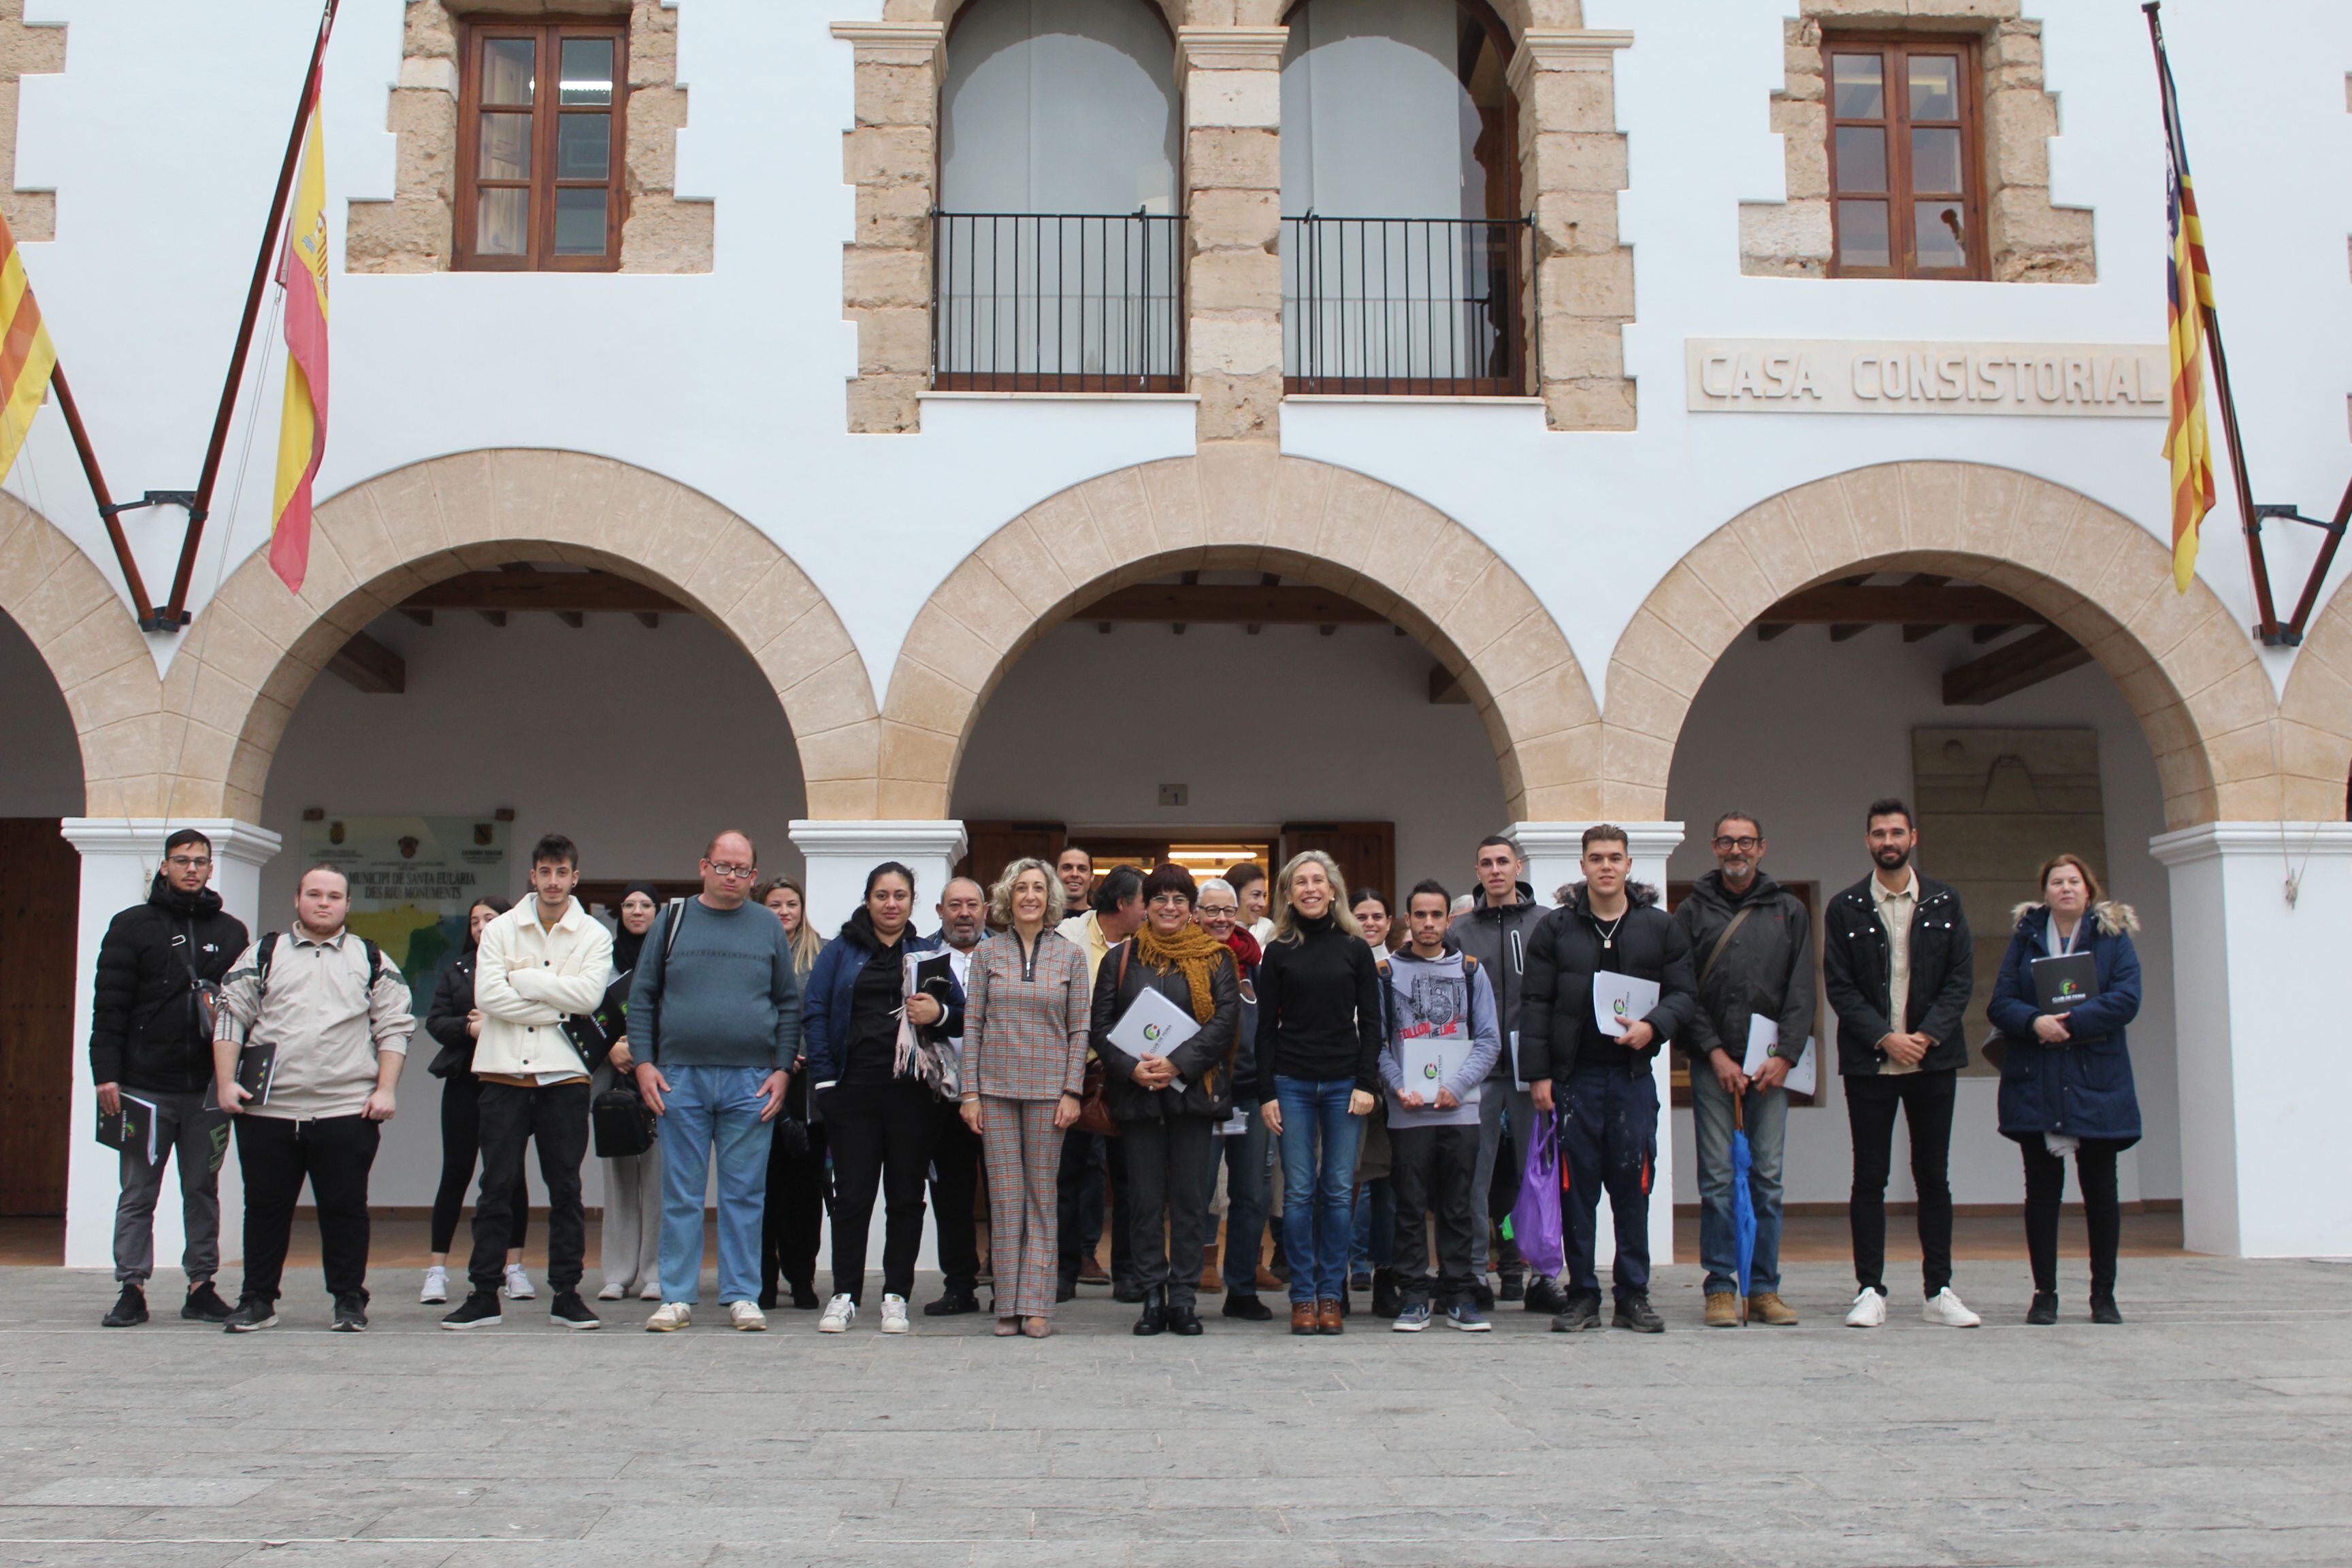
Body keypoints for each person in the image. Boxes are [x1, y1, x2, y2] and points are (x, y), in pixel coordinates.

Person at [209, 866, 414, 1332]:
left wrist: (385, 1089)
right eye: (315, 894)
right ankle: (257, 1300)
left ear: (347, 905)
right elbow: (230, 1014)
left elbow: (395, 1026)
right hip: (269, 1110)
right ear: (297, 899)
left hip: (346, 1110)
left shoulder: (372, 958)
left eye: (334, 896)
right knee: (265, 1210)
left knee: (345, 1210)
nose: (324, 903)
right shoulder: (264, 953)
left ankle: (349, 1301)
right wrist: (225, 1083)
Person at [1519, 826, 1696, 1336]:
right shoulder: (1555, 929)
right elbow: (1536, 1004)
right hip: (1574, 1079)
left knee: (1633, 1186)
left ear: (1628, 864)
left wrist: (1653, 1027)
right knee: (1576, 1192)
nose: (1606, 866)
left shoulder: (1660, 927)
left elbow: (1684, 994)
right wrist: (1539, 1075)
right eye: (1596, 858)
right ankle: (1582, 1296)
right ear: (1583, 866)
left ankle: (1633, 1295)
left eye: (1615, 858)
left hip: (1631, 1077)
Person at [627, 830, 801, 1333]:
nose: (732, 877)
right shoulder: (672, 920)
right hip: (679, 1077)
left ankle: (742, 1295)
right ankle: (677, 1296)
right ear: (704, 866)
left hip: (752, 1080)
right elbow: (643, 996)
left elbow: (787, 1003)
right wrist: (644, 1063)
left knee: (745, 1194)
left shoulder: (767, 924)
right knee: (681, 1192)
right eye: (723, 866)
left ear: (754, 875)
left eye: (742, 870)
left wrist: (782, 1069)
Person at [441, 836, 614, 1331]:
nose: (553, 881)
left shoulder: (594, 934)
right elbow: (488, 997)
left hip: (564, 1075)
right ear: (532, 876)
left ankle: (567, 1293)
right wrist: (558, 1002)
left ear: (575, 877)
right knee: (495, 1186)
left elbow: (589, 998)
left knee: (566, 1188)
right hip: (503, 1073)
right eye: (545, 871)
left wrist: (527, 981)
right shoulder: (500, 929)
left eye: (562, 872)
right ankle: (483, 1293)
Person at [1823, 798, 1981, 1330]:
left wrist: (1926, 1037)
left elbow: (1960, 980)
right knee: (1870, 1177)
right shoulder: (1845, 907)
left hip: (1932, 1063)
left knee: (1933, 1176)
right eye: (1878, 833)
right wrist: (1887, 1038)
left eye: (1896, 832)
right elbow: (1840, 987)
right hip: (1870, 1064)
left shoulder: (1945, 902)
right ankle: (1870, 1289)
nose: (1887, 841)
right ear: (1867, 841)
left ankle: (1939, 1290)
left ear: (1914, 836)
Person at [87, 828, 249, 1328]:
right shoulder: (132, 925)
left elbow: (248, 1010)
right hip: (142, 1085)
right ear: (164, 866)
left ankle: (201, 1285)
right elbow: (109, 1005)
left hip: (207, 1086)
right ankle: (131, 1287)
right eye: (182, 860)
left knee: (202, 1189)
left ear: (211, 869)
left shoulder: (231, 931)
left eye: (200, 861)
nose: (191, 869)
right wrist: (106, 1075)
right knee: (138, 1192)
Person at [802, 862, 962, 1335]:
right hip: (852, 1092)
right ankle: (845, 1295)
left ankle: (896, 1296)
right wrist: (825, 1081)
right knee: (851, 1198)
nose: (891, 904)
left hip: (912, 1096)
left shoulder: (927, 954)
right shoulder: (840, 950)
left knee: (906, 1197)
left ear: (913, 902)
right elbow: (816, 1012)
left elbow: (961, 1015)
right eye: (882, 895)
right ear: (868, 899)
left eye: (900, 896)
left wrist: (938, 1012)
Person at [1988, 853, 2143, 1326]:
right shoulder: (2026, 938)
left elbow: (2126, 998)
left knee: (2101, 1191)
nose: (2066, 889)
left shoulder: (2113, 937)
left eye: (2074, 881)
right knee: (2041, 1193)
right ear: (2045, 892)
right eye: (2057, 882)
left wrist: (2071, 1023)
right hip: (2038, 1079)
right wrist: (2035, 1022)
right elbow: (2001, 1002)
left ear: (2088, 890)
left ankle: (2104, 1295)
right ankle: (2045, 1295)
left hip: (2096, 1080)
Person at [1673, 812, 1814, 1329]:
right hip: (1713, 1065)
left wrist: (1786, 1055)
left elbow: (1802, 988)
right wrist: (1713, 1052)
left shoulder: (1788, 910)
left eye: (1746, 842)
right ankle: (1719, 1288)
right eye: (1728, 842)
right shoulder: (1691, 911)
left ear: (1762, 848)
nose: (1737, 850)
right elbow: (1683, 988)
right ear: (1714, 847)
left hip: (1771, 1067)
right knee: (1717, 1180)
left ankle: (1763, 1289)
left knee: (1767, 1179)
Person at [1094, 864, 1243, 1337]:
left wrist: (1178, 1063)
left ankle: (1183, 1298)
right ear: (1146, 906)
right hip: (1137, 1097)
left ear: (1192, 909)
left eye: (1179, 899)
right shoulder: (1121, 959)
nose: (1170, 907)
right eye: (1159, 898)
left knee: (1189, 1202)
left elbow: (1225, 1022)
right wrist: (1130, 1068)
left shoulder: (1217, 959)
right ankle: (1152, 1296)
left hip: (1192, 1096)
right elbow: (1100, 1026)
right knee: (1143, 1201)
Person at [959, 858, 1090, 1337]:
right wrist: (969, 1092)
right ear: (1008, 897)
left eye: (1038, 888)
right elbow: (973, 1025)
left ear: (1050, 897)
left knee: (1041, 1197)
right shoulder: (987, 954)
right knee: (1005, 1197)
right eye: (1021, 888)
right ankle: (1007, 1303)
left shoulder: (1071, 956)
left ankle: (1037, 1304)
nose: (1030, 896)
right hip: (994, 1091)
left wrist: (1072, 1089)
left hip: (1049, 1093)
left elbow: (1080, 1029)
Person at [1256, 851, 1384, 1336]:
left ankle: (1332, 1293)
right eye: (1300, 882)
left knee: (1337, 1190)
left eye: (1318, 881)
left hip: (1344, 1085)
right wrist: (1267, 1092)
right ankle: (1302, 1297)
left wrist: (1367, 1082)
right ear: (1288, 895)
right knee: (1299, 1192)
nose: (1310, 889)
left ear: (1333, 891)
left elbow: (1372, 1023)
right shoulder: (1278, 951)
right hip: (1291, 1083)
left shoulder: (1355, 949)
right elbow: (1264, 1030)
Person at [1380, 880, 1501, 1332]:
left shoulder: (1471, 971)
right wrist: (1398, 1087)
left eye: (1436, 915)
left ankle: (1459, 1295)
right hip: (1408, 1114)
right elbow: (1377, 1044)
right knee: (1409, 1207)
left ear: (1449, 920)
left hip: (1460, 1111)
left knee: (1458, 1206)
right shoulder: (1385, 974)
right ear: (1407, 920)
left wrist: (1458, 1084)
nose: (1428, 923)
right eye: (1420, 915)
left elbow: (1488, 1040)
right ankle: (1414, 1296)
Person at [1450, 834, 1554, 1311]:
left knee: (1538, 1174)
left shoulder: (1546, 923)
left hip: (1534, 1071)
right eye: (1487, 863)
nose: (1495, 870)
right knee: (1475, 1176)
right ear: (1477, 871)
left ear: (1518, 867)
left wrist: (1549, 1061)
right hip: (1479, 1072)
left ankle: (1544, 1273)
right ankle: (1475, 1272)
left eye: (1503, 862)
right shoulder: (1460, 931)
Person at [419, 896, 530, 1307]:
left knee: (509, 1175)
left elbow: (535, 1016)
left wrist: (495, 1024)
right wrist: (469, 1030)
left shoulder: (523, 966)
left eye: (490, 919)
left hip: (508, 1082)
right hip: (464, 1082)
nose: (481, 927)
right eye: (475, 921)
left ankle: (514, 1268)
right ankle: (437, 1270)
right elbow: (436, 1021)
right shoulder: (458, 970)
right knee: (455, 1172)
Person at [1055, 864, 1146, 1301]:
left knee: (1131, 1181)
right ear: (1124, 903)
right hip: (1075, 1076)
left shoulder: (1149, 944)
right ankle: (1063, 1271)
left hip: (1132, 1076)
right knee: (1066, 1177)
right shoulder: (1067, 938)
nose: (1151, 910)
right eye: (1146, 901)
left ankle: (1128, 1273)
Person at [1195, 877, 1274, 1321]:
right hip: (1198, 1094)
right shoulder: (1182, 958)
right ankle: (1184, 1289)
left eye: (1228, 910)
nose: (1221, 919)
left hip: (1250, 1092)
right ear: (1196, 915)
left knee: (1251, 1195)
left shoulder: (1256, 963)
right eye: (1212, 911)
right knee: (1195, 1192)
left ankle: (1242, 1288)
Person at [755, 877, 828, 1310]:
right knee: (762, 1191)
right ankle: (763, 1280)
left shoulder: (822, 953)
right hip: (758, 1085)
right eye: (775, 904)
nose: (784, 912)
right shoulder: (750, 950)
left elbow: (827, 1013)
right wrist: (776, 1056)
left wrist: (799, 1054)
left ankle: (802, 1278)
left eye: (791, 904)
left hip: (808, 1092)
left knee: (804, 1193)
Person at [590, 884, 664, 1303]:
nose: (637, 911)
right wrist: (611, 1049)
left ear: (658, 912)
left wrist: (645, 1053)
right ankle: (618, 1273)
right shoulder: (602, 958)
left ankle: (655, 1272)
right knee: (618, 1177)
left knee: (657, 1176)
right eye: (630, 905)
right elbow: (583, 1012)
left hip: (658, 1075)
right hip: (613, 1078)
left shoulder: (669, 957)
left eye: (646, 905)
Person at [923, 877, 989, 1317]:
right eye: (954, 905)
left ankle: (1011, 1286)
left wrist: (944, 1015)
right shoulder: (921, 957)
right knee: (951, 1198)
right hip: (943, 1098)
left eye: (972, 905)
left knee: (1008, 1196)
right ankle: (959, 1286)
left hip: (1001, 1093)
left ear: (986, 910)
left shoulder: (1005, 954)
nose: (964, 913)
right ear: (939, 911)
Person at [1345, 887, 1396, 1301]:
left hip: (1392, 1084)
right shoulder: (1342, 960)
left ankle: (1385, 1273)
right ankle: (1345, 1270)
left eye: (1377, 916)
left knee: (1387, 1185)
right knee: (1344, 1183)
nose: (1370, 923)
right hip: (1348, 1081)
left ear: (1390, 922)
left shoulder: (1400, 967)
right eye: (1361, 916)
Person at [1228, 860, 1275, 947]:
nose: (1263, 904)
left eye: (1264, 896)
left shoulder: (1269, 930)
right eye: (1256, 895)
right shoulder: (1215, 933)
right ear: (1233, 895)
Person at [1056, 845, 1095, 915]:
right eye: (1067, 868)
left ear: (1092, 876)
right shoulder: (1042, 918)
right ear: (1055, 874)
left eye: (1082, 869)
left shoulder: (1101, 919)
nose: (1075, 874)